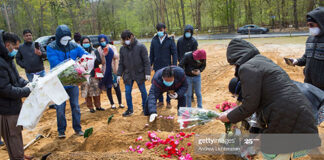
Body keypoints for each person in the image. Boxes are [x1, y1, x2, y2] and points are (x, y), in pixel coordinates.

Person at [219, 38, 320, 159]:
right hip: (301, 105)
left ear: (236, 57)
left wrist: (228, 117)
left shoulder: (247, 68)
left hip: (283, 112)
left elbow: (250, 105)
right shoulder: (262, 60)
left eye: (234, 63)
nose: (235, 66)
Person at [47, 25, 88, 138]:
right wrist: (74, 65)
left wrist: (85, 61)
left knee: (75, 106)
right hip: (59, 83)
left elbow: (85, 54)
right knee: (60, 108)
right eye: (63, 39)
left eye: (67, 39)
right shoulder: (51, 47)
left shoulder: (74, 45)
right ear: (58, 38)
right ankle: (61, 130)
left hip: (73, 82)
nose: (65, 41)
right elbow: (56, 63)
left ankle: (78, 128)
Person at [0, 30, 33, 160]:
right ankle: (17, 156)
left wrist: (30, 84)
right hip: (6, 110)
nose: (16, 50)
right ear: (8, 44)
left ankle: (19, 154)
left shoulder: (8, 59)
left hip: (13, 107)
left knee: (17, 134)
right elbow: (5, 89)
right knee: (12, 136)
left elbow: (17, 79)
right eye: (15, 47)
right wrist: (27, 91)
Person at [285, 7, 324, 90]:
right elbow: (306, 58)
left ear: (321, 23)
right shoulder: (310, 39)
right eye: (308, 25)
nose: (310, 28)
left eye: (312, 25)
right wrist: (297, 61)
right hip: (309, 85)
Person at [117, 30, 151, 117]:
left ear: (132, 36)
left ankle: (145, 107)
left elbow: (146, 61)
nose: (126, 41)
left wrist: (147, 73)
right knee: (127, 92)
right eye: (124, 39)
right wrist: (119, 74)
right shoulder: (122, 49)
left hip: (139, 73)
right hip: (128, 74)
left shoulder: (141, 46)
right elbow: (121, 63)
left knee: (143, 91)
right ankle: (130, 109)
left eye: (127, 38)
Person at [150, 23, 177, 108]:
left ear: (165, 29)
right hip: (157, 66)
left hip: (167, 66)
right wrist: (150, 64)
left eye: (161, 30)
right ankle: (160, 101)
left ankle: (168, 101)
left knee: (169, 84)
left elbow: (174, 53)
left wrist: (174, 65)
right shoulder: (154, 40)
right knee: (158, 83)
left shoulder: (170, 40)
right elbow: (151, 54)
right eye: (158, 30)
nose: (159, 32)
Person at [97, 34, 124, 109]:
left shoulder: (112, 47)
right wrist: (103, 54)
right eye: (101, 41)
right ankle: (112, 103)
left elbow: (116, 57)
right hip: (105, 71)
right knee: (108, 88)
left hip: (113, 69)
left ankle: (120, 103)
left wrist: (109, 51)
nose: (103, 42)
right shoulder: (99, 49)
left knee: (116, 86)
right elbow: (102, 62)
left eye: (104, 40)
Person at [80, 36, 104, 113]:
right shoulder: (80, 52)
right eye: (84, 42)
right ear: (81, 43)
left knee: (96, 90)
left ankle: (98, 106)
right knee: (87, 92)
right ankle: (90, 107)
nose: (86, 44)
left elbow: (99, 61)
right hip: (84, 74)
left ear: (90, 43)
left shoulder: (94, 51)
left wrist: (93, 59)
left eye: (87, 42)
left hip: (94, 73)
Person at [177, 24, 198, 102]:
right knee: (181, 80)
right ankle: (182, 95)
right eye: (187, 31)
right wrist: (180, 61)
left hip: (190, 63)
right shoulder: (179, 41)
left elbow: (194, 53)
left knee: (190, 80)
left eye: (190, 32)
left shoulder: (194, 41)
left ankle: (191, 95)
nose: (188, 33)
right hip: (181, 63)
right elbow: (177, 51)